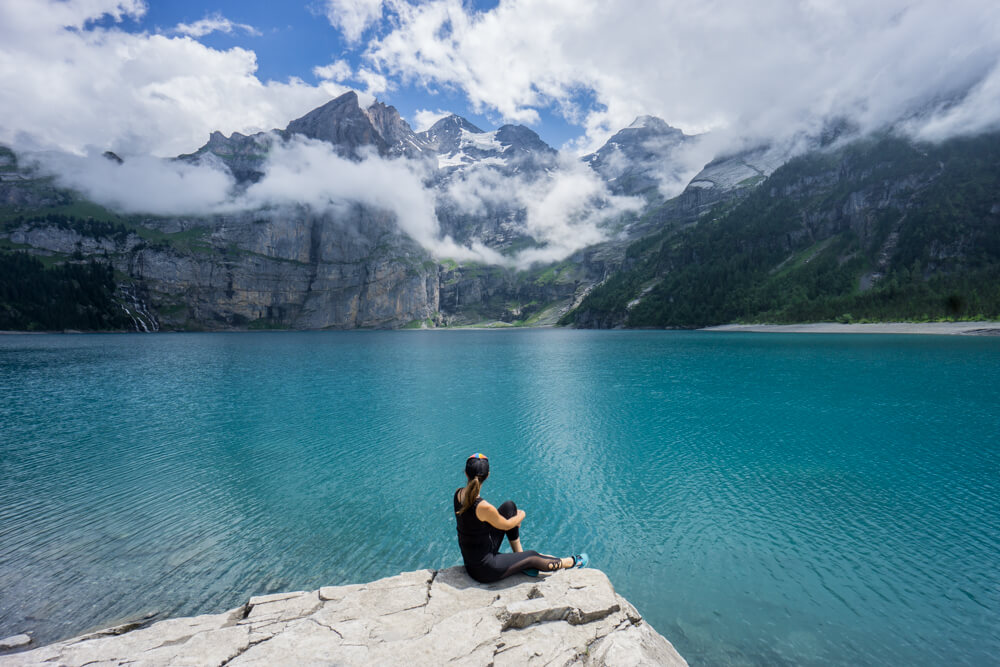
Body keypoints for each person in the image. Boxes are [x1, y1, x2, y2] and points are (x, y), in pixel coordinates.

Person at [454, 452, 588, 583]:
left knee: (509, 507)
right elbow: (507, 525)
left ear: (466, 473)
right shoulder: (484, 507)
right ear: (487, 476)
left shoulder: (458, 494)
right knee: (532, 556)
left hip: (473, 558)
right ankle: (572, 562)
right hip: (484, 569)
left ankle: (521, 561)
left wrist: (514, 518)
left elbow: (496, 521)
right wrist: (522, 515)